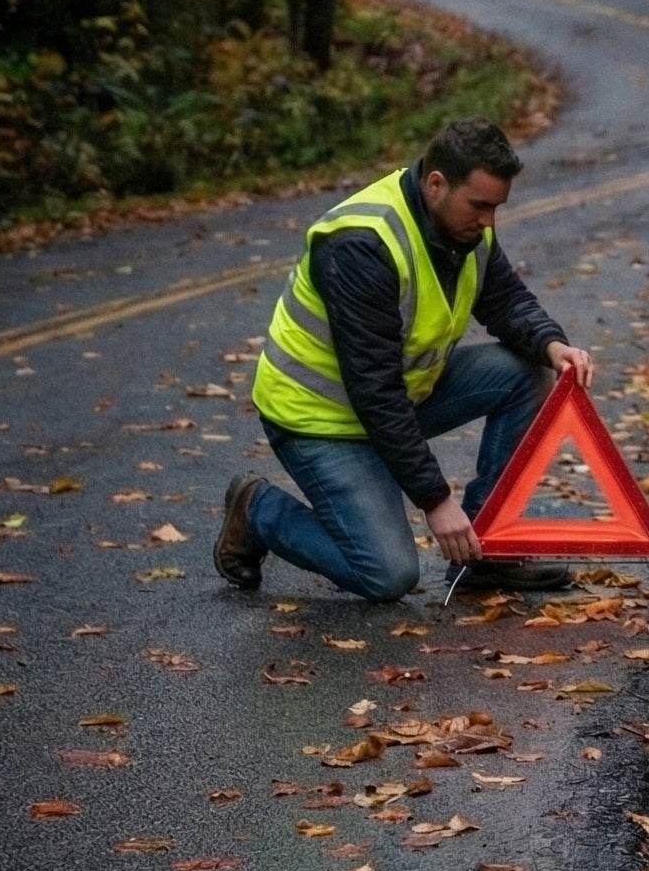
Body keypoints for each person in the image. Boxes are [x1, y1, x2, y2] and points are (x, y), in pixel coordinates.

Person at [214, 117, 593, 601]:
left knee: (531, 372)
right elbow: (375, 390)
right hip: (319, 418)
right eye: (479, 205)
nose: (489, 222)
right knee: (389, 574)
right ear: (436, 184)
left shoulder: (467, 229)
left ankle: (486, 547)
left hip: (403, 395)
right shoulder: (361, 244)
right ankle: (257, 510)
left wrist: (551, 344)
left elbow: (505, 299)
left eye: (496, 207)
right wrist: (436, 501)